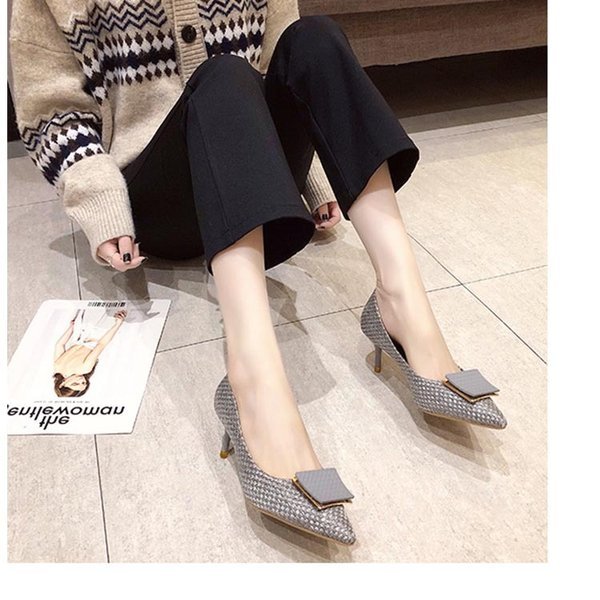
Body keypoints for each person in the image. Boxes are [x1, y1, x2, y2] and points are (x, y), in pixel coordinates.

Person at [9, 0, 506, 546]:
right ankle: (252, 380)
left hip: (252, 178)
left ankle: (401, 304)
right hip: (158, 197)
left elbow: (281, 67)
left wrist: (310, 179)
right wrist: (101, 201)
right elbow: (50, 109)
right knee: (223, 74)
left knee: (315, 39)